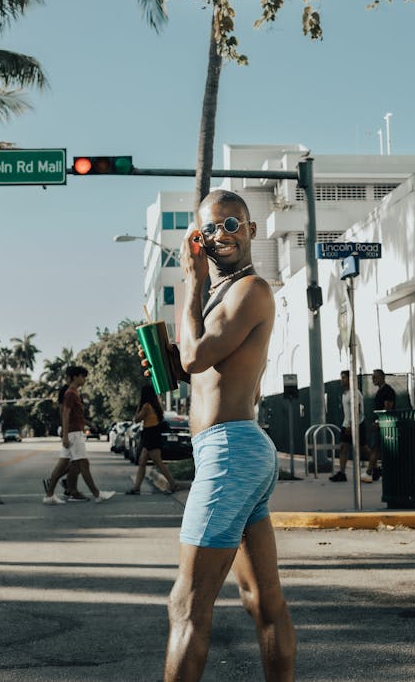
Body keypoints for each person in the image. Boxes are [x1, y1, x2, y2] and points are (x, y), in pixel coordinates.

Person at [156, 189, 296, 682]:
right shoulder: (221, 295)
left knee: (185, 604)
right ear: (199, 237)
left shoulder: (249, 290)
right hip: (232, 450)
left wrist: (190, 282)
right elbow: (193, 366)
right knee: (263, 600)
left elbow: (196, 356)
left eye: (232, 224)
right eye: (210, 228)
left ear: (252, 229)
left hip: (231, 451)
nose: (222, 235)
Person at [43, 366, 115, 505]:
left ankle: (49, 495)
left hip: (73, 433)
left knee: (63, 466)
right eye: (83, 376)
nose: (84, 379)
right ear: (75, 377)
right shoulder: (70, 393)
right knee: (84, 464)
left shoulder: (73, 392)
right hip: (73, 434)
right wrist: (65, 436)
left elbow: (75, 415)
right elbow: (65, 413)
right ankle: (97, 494)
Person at [125, 385, 178, 495]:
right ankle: (137, 487)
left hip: (150, 434)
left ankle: (173, 484)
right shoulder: (154, 405)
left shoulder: (146, 406)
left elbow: (136, 419)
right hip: (151, 433)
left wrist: (139, 405)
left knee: (158, 462)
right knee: (142, 461)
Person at [329, 370, 371, 483]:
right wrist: (346, 424)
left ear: (350, 379)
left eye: (344, 377)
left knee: (364, 447)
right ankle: (342, 473)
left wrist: (352, 424)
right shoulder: (345, 393)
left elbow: (356, 410)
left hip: (357, 424)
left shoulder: (355, 393)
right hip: (346, 424)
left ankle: (375, 467)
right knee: (343, 447)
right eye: (341, 377)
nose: (342, 380)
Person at [364, 368, 396, 482]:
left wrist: (378, 423)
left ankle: (369, 472)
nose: (373, 379)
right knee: (377, 449)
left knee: (376, 449)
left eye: (375, 377)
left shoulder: (387, 391)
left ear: (382, 377)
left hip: (385, 425)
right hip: (381, 424)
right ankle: (377, 471)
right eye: (372, 377)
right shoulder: (380, 391)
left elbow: (387, 409)